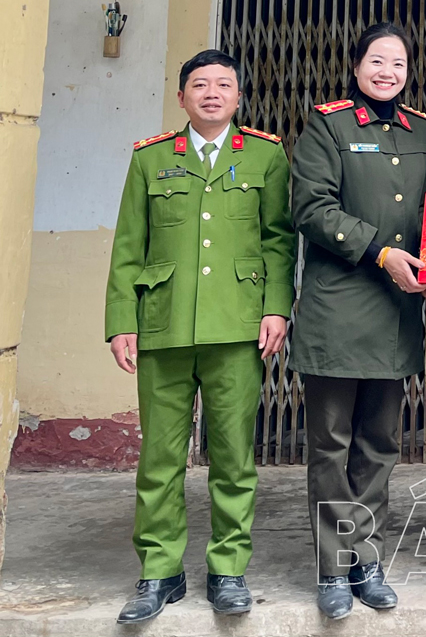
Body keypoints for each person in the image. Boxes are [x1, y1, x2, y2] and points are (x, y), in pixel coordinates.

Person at [106, 49, 296, 625]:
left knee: (234, 457)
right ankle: (160, 570)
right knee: (159, 458)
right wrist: (122, 320)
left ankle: (228, 569)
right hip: (163, 324)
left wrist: (277, 308)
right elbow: (128, 245)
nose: (212, 93)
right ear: (182, 96)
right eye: (199, 85)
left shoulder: (264, 155)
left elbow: (278, 239)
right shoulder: (150, 158)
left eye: (223, 84)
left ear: (238, 96)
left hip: (237, 326)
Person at [289, 22, 426, 620]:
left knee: (379, 443)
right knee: (331, 444)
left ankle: (367, 560)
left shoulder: (423, 131)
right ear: (356, 66)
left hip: (395, 310)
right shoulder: (328, 125)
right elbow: (311, 208)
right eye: (377, 61)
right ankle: (334, 568)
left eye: (398, 63)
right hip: (339, 307)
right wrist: (380, 252)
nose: (387, 72)